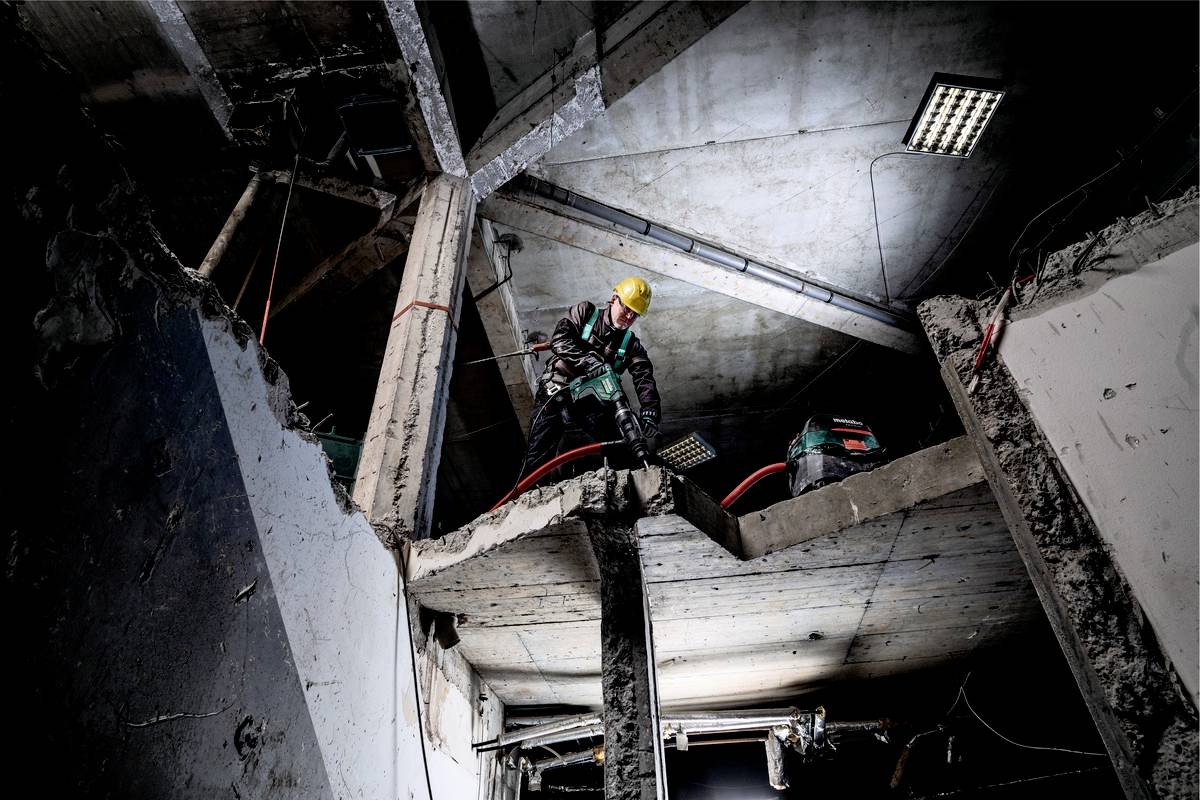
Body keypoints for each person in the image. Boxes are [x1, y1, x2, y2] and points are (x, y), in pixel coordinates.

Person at [520, 276, 661, 477]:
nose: (629, 316)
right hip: (557, 389)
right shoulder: (585, 312)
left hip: (590, 400)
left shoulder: (631, 345)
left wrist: (650, 412)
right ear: (614, 299)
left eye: (635, 314)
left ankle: (628, 487)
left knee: (623, 443)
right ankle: (529, 497)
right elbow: (560, 340)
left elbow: (644, 377)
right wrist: (590, 363)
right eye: (627, 308)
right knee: (538, 454)